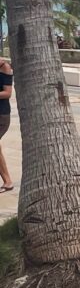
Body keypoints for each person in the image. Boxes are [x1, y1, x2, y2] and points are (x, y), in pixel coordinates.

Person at [0, 57, 13, 193]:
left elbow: (7, 93)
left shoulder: (4, 67)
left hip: (2, 115)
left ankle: (8, 181)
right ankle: (7, 181)